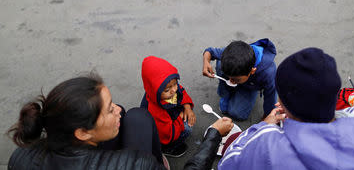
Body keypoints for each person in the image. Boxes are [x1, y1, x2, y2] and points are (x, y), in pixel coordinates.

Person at [8, 73, 234, 170]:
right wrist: (213, 134)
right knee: (138, 118)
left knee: (132, 115)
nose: (117, 109)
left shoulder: (21, 158)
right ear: (82, 133)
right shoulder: (134, 164)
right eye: (108, 110)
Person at [219, 47, 354, 169]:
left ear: (282, 103)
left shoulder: (269, 145)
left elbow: (227, 163)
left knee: (232, 142)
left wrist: (263, 126)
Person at [202, 39, 277, 120]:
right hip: (244, 79)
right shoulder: (229, 54)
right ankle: (227, 92)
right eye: (229, 77)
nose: (230, 81)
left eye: (236, 79)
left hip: (251, 85)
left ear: (252, 71)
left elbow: (271, 96)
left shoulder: (268, 73)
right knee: (221, 64)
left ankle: (249, 92)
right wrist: (206, 62)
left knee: (237, 114)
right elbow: (209, 51)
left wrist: (267, 117)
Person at [141, 56, 195, 157]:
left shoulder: (168, 87)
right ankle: (168, 149)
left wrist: (187, 107)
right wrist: (180, 118)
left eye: (175, 84)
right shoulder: (155, 110)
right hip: (163, 133)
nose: (173, 90)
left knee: (188, 111)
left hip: (171, 116)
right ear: (154, 90)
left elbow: (181, 92)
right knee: (187, 128)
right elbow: (168, 134)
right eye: (167, 90)